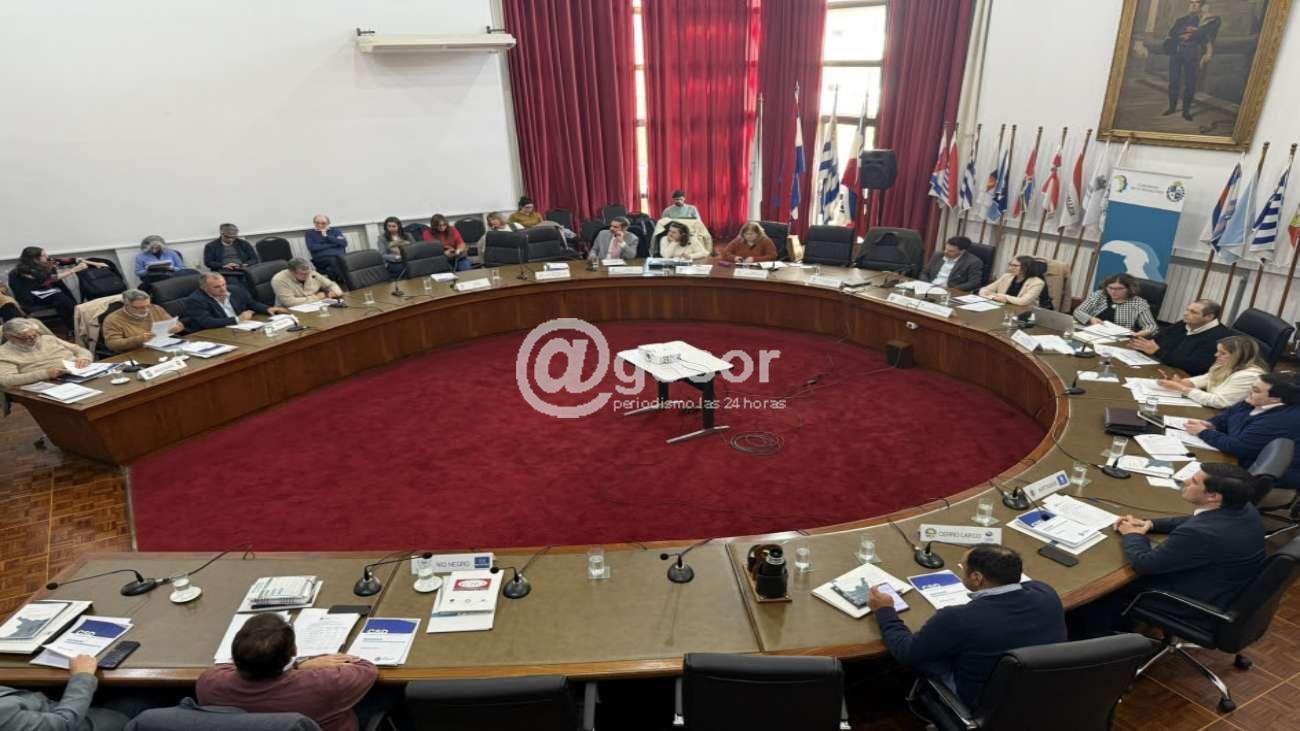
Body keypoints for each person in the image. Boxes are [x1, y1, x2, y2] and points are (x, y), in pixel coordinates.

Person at [1074, 463, 1265, 637]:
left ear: (1213, 496)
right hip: (1225, 588)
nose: (1185, 481)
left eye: (1194, 482)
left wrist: (1132, 534)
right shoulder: (1243, 508)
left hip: (1189, 600)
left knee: (1102, 588)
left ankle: (1093, 638)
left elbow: (1144, 564)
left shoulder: (1200, 534)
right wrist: (1150, 524)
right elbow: (1198, 520)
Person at [866, 545, 1066, 710]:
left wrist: (885, 612)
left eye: (962, 567)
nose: (961, 571)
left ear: (977, 578)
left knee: (926, 657)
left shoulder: (957, 618)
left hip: (983, 702)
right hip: (1042, 689)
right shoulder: (1046, 593)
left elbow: (906, 653)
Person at [197, 613, 378, 731]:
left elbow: (223, 669)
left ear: (235, 656)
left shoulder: (209, 683)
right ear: (293, 652)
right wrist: (301, 665)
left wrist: (298, 666)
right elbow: (367, 669)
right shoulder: (325, 683)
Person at [1183, 373, 1300, 485]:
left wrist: (1204, 432)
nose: (1250, 392)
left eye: (1256, 390)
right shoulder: (1255, 400)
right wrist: (1212, 424)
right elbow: (1227, 416)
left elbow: (1239, 447)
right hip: (1239, 456)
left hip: (1261, 475)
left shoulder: (1280, 420)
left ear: (1275, 399)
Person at [0, 653, 133, 730]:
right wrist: (83, 676)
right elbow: (64, 723)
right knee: (138, 701)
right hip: (82, 723)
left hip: (43, 707)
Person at [1156, 335, 1269, 409]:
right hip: (1210, 408)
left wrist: (1181, 388)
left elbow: (1220, 402)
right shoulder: (1227, 364)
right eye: (1217, 351)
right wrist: (1181, 382)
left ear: (1238, 356)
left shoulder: (1249, 376)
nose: (1216, 355)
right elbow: (1207, 378)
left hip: (1221, 414)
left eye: (1222, 353)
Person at [7, 246, 105, 331]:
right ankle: (74, 327)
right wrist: (74, 270)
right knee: (60, 298)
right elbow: (50, 278)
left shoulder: (46, 262)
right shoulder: (23, 271)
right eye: (43, 255)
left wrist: (94, 263)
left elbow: (71, 260)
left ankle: (78, 319)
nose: (47, 256)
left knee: (61, 291)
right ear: (34, 259)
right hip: (32, 296)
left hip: (45, 291)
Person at [1128, 299, 1231, 376]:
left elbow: (1194, 365)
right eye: (1187, 310)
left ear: (1209, 317)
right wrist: (1146, 346)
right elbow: (1159, 339)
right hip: (1164, 365)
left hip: (1186, 377)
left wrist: (1158, 351)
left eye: (1193, 312)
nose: (1186, 314)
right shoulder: (1184, 323)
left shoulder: (1220, 337)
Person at [1162, 0, 1220, 121]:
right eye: (1191, 2)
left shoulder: (1206, 21)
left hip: (1192, 53)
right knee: (1174, 81)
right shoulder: (1180, 20)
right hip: (1176, 52)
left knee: (1190, 83)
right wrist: (1188, 33)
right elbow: (1172, 33)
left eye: (1196, 3)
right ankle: (1172, 107)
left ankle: (1186, 112)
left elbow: (1204, 35)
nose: (1193, 5)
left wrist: (1192, 32)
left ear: (1201, 6)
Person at [0, 318, 92, 387]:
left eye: (35, 335)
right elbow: (6, 380)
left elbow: (79, 350)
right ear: (9, 337)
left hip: (79, 373)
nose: (33, 340)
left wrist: (84, 358)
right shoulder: (4, 353)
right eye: (25, 338)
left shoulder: (48, 339)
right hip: (48, 384)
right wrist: (45, 374)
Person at [181, 273, 287, 331]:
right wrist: (238, 319)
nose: (223, 289)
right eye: (217, 287)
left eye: (224, 284)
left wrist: (267, 308)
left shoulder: (235, 290)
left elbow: (251, 303)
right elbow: (208, 322)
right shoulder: (195, 300)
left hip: (242, 329)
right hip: (218, 332)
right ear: (204, 288)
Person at [1071, 272, 1158, 335]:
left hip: (1118, 339)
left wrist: (1141, 333)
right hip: (1092, 333)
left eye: (1119, 289)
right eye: (1110, 288)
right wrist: (1091, 319)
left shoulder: (1138, 303)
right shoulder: (1100, 295)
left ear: (1130, 289)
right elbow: (1078, 312)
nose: (1113, 292)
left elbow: (1151, 326)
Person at [101, 289, 182, 353]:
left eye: (148, 306)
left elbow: (178, 324)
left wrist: (177, 327)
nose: (146, 310)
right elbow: (112, 344)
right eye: (139, 308)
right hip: (137, 352)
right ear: (126, 305)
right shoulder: (113, 319)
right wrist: (139, 339)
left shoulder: (155, 308)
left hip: (163, 346)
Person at [978, 255, 1050, 307]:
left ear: (1027, 267)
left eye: (1015, 266)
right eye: (1010, 265)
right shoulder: (1006, 276)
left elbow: (1023, 301)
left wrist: (1003, 297)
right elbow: (984, 290)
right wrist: (993, 298)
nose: (1010, 268)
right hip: (1001, 307)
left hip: (1022, 312)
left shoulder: (1037, 283)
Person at [920, 236, 984, 292]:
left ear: (962, 251)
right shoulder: (938, 255)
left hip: (950, 291)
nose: (946, 252)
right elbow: (925, 272)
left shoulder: (973, 262)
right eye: (946, 249)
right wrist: (926, 284)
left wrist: (951, 290)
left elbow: (974, 283)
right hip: (929, 287)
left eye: (951, 251)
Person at [272, 258, 344, 307]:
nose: (307, 276)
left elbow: (331, 284)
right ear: (292, 271)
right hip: (288, 311)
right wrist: (316, 298)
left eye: (308, 272)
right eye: (303, 274)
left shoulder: (311, 273)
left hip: (313, 307)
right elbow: (289, 302)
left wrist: (336, 292)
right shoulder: (279, 279)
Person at [305, 214, 349, 283]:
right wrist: (334, 244)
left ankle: (337, 283)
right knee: (334, 260)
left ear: (328, 223)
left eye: (323, 223)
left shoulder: (336, 231)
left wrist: (326, 237)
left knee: (331, 269)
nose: (320, 225)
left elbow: (344, 243)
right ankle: (344, 281)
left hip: (338, 257)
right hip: (320, 259)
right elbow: (313, 248)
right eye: (317, 223)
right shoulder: (309, 233)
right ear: (314, 223)